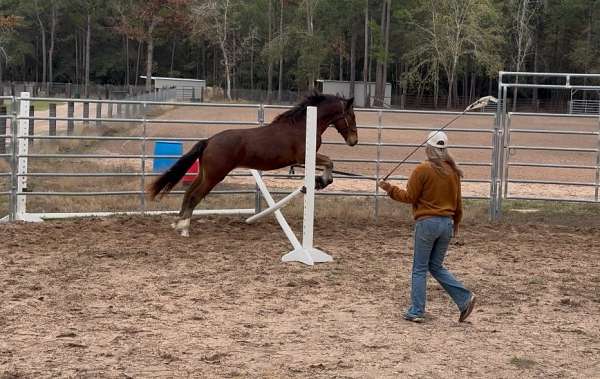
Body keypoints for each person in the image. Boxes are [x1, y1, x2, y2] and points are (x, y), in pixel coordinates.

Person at [378, 131, 475, 323]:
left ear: (428, 148)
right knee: (435, 266)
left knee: (420, 268)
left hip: (427, 224)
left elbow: (409, 197)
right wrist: (456, 224)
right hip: (447, 223)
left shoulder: (422, 169)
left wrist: (389, 189)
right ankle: (464, 299)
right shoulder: (453, 171)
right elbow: (458, 202)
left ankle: (417, 310)